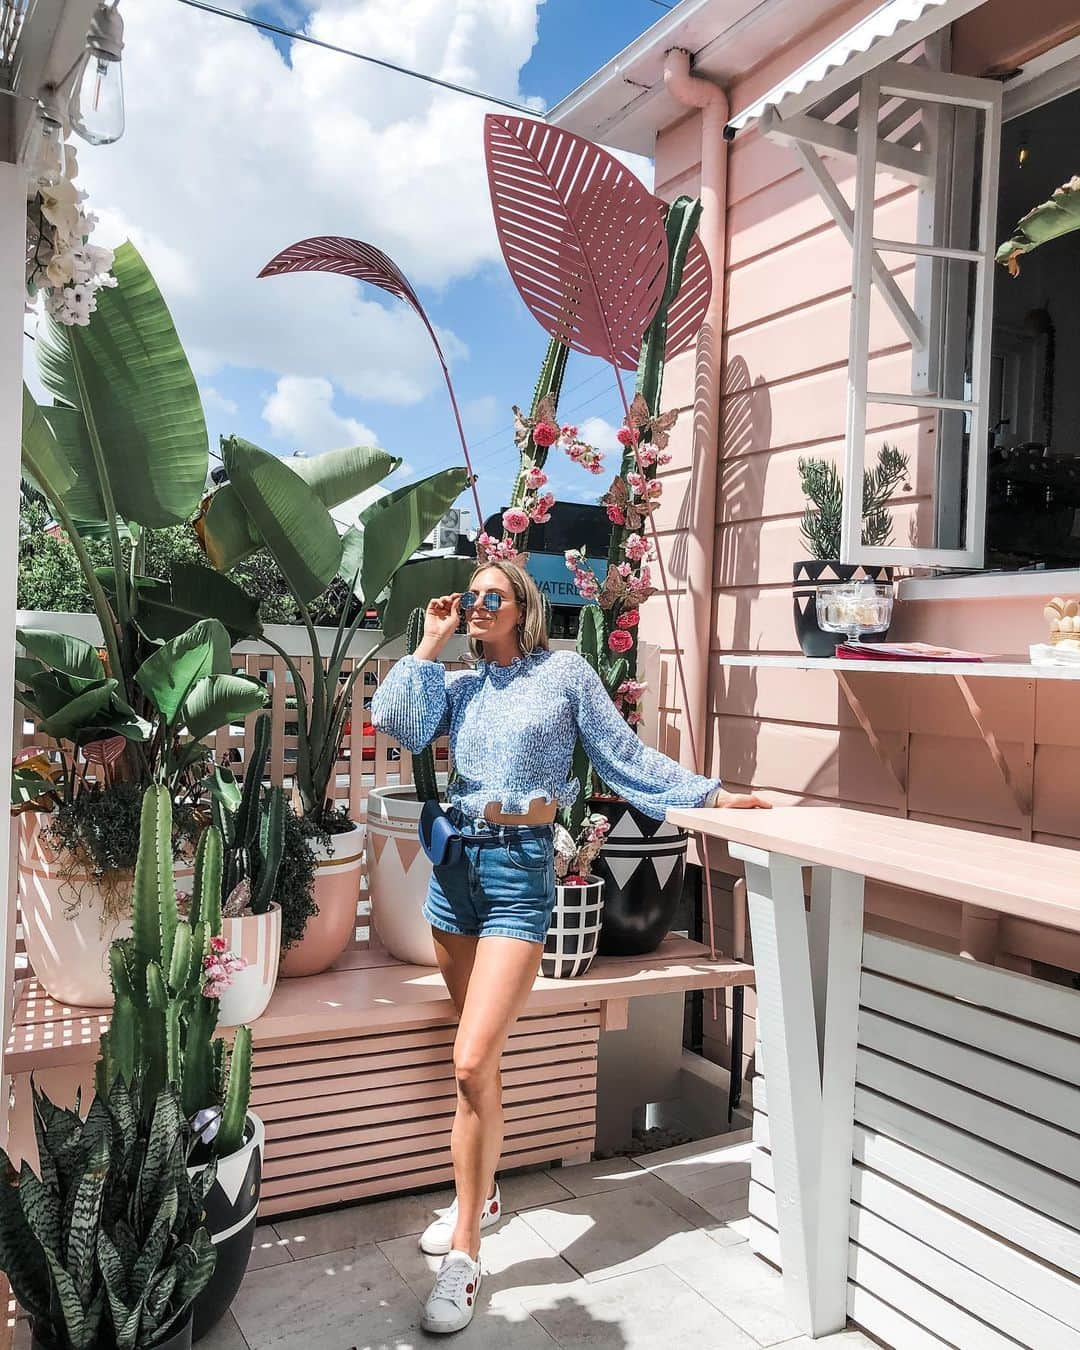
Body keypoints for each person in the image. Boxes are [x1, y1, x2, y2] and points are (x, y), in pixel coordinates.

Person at [370, 560, 769, 1334]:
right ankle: (479, 1192)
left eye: (493, 597)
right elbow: (400, 724)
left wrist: (710, 794)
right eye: (472, 597)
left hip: (521, 876)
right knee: (472, 1059)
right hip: (454, 872)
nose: (479, 606)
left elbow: (624, 756)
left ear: (524, 607)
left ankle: (466, 1254)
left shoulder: (567, 675)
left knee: (471, 1060)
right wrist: (429, 643)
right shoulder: (458, 688)